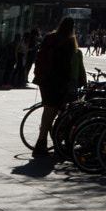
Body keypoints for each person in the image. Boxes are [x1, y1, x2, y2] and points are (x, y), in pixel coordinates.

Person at [33, 18, 83, 159]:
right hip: (57, 81)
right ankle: (42, 142)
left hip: (43, 79)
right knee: (56, 110)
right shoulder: (68, 42)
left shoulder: (50, 36)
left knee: (49, 109)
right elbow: (66, 65)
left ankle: (49, 141)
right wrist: (68, 82)